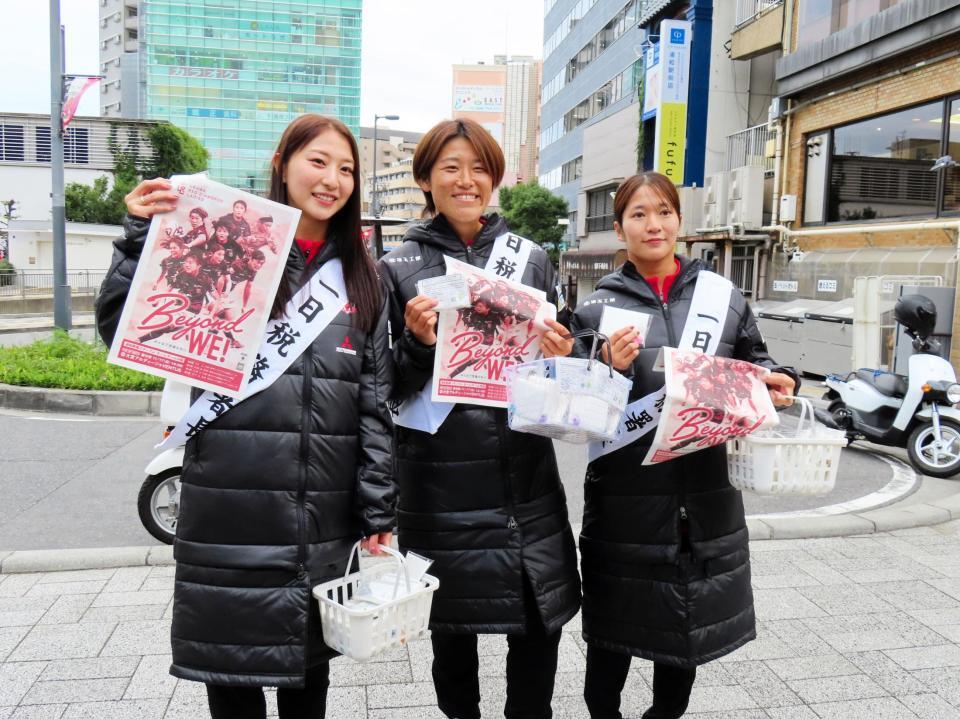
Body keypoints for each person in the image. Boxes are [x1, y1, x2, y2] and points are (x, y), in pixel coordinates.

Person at [95, 114, 395, 719]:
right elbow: (124, 329)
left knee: (309, 685)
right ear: (282, 163)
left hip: (322, 514)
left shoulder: (362, 277)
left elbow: (373, 403)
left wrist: (378, 509)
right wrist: (137, 238)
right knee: (229, 680)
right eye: (318, 160)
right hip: (228, 506)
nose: (333, 178)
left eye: (346, 168)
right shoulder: (232, 242)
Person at [568, 172, 799, 719]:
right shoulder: (594, 310)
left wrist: (777, 378)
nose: (654, 224)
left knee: (684, 639)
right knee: (610, 646)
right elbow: (572, 403)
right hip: (625, 501)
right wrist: (604, 365)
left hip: (704, 498)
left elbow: (755, 359)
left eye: (665, 211)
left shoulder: (723, 296)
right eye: (639, 214)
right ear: (620, 228)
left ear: (679, 219)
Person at [378, 118, 581, 719]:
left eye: (479, 168)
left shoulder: (533, 260)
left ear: (494, 179)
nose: (466, 181)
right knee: (453, 639)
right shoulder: (397, 267)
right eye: (450, 167)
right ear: (424, 179)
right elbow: (383, 384)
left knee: (539, 625)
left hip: (526, 480)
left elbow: (559, 363)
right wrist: (416, 343)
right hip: (438, 483)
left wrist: (561, 351)